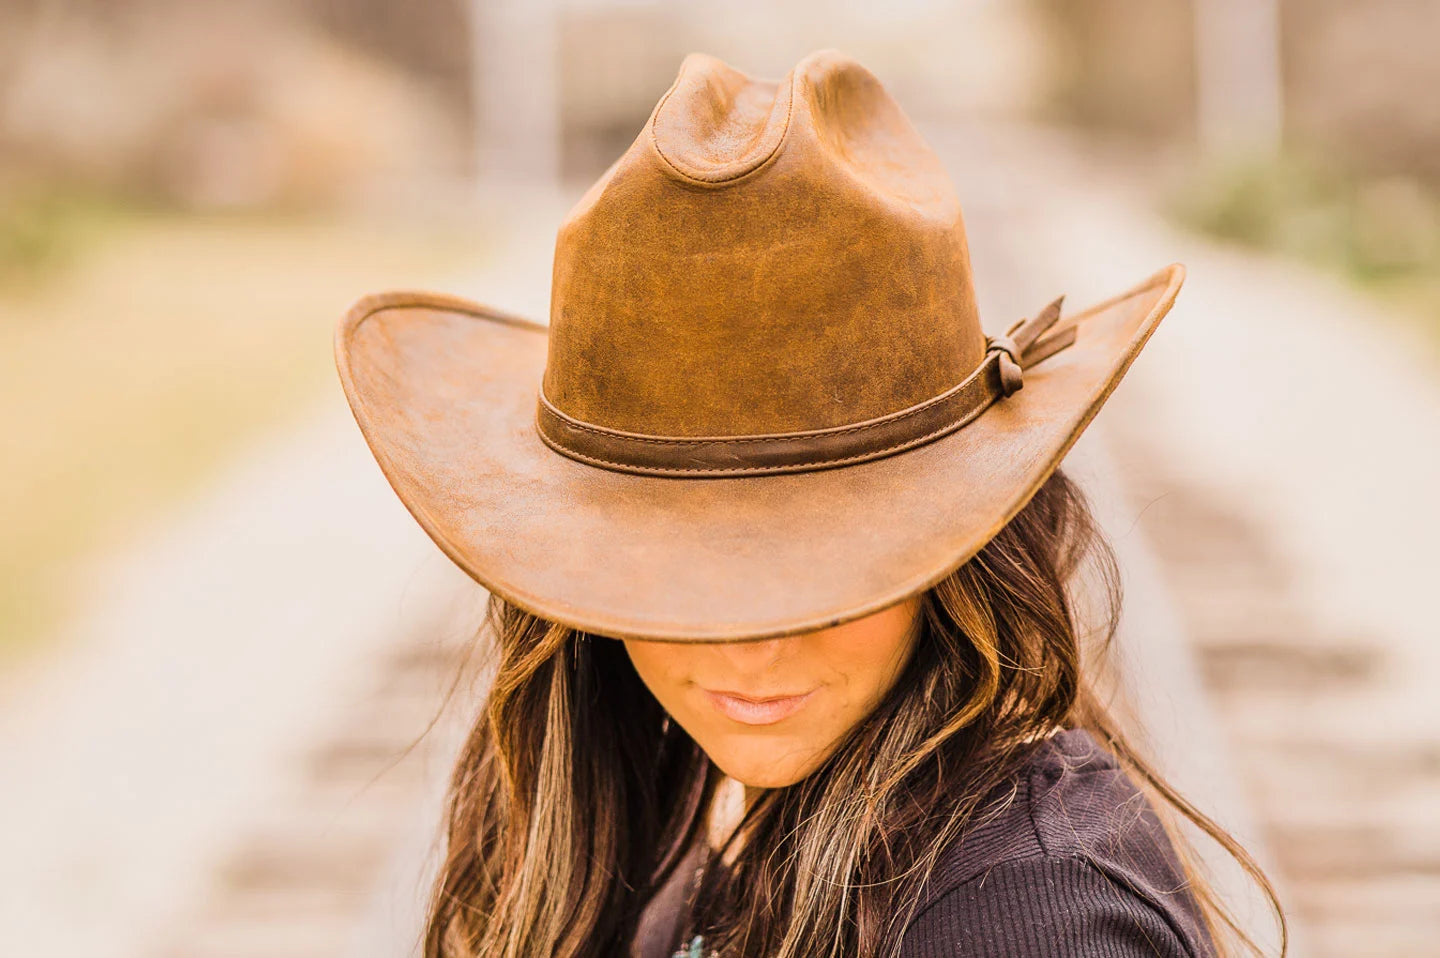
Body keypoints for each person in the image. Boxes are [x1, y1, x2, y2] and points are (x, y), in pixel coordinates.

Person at [334, 49, 1285, 958]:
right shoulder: (730, 806)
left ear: (962, 546)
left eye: (821, 571)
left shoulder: (1036, 917)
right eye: (675, 580)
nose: (755, 650)